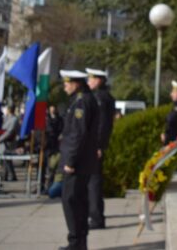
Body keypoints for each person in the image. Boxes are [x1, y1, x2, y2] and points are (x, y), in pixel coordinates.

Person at [58, 70, 99, 250]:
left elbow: (78, 134)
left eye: (67, 83)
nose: (65, 87)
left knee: (71, 201)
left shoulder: (82, 102)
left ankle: (75, 242)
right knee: (79, 201)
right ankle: (80, 242)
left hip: (77, 162)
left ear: (76, 84)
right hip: (83, 161)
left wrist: (70, 161)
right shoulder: (84, 99)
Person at [85, 68, 116, 230]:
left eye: (91, 79)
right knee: (91, 181)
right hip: (93, 145)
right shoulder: (101, 96)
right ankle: (93, 214)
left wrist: (98, 145)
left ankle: (96, 218)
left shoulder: (100, 98)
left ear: (99, 80)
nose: (88, 82)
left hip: (94, 146)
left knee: (94, 182)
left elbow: (102, 125)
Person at [44, 104, 64, 191]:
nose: (52, 109)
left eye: (53, 108)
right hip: (49, 145)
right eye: (51, 108)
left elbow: (62, 128)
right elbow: (48, 130)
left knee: (54, 167)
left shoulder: (59, 119)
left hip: (57, 145)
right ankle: (46, 186)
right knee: (48, 167)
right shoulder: (47, 119)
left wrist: (60, 135)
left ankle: (50, 186)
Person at [0, 105, 19, 181]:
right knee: (6, 159)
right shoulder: (6, 118)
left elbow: (9, 132)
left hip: (9, 142)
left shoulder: (14, 119)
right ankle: (7, 175)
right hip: (3, 142)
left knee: (7, 158)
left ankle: (11, 175)